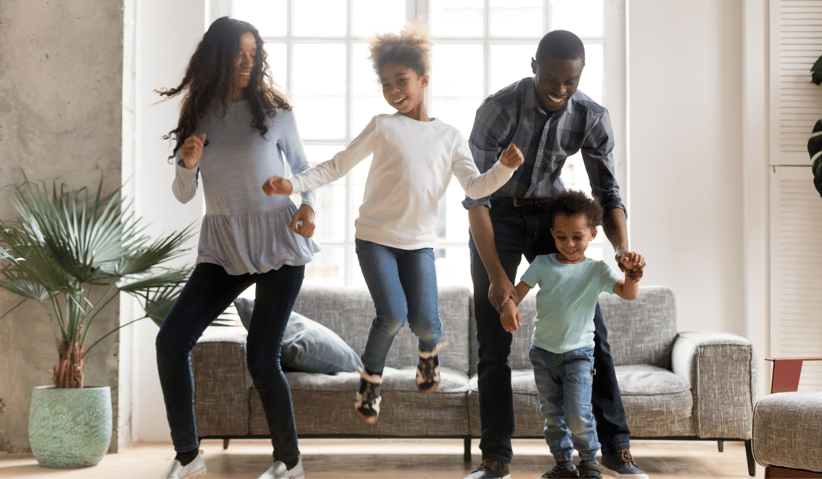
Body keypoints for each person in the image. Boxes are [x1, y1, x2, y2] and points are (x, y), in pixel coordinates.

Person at [262, 24, 523, 425]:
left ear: (424, 80)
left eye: (401, 81)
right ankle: (370, 382)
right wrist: (293, 184)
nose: (394, 90)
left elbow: (475, 186)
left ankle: (429, 352)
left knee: (423, 322)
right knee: (392, 314)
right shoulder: (382, 126)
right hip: (374, 239)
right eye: (386, 83)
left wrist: (503, 169)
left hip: (418, 243)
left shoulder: (449, 136)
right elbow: (338, 164)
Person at [464, 30, 648, 479]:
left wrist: (622, 249)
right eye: (551, 78)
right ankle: (496, 458)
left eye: (570, 82)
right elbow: (475, 199)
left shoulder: (590, 115)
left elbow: (607, 192)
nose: (559, 90)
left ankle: (616, 448)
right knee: (494, 338)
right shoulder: (498, 109)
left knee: (592, 333)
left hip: (550, 218)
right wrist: (497, 276)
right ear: (533, 66)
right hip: (498, 218)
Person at [154, 17, 317, 479]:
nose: (248, 63)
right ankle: (188, 456)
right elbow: (185, 193)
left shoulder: (274, 110)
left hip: (279, 241)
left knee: (262, 357)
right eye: (238, 55)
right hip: (224, 246)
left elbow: (304, 169)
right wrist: (188, 164)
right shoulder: (198, 112)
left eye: (253, 55)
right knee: (171, 341)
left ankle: (289, 461)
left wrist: (310, 209)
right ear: (218, 56)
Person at [499, 190, 642, 479]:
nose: (569, 244)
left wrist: (632, 275)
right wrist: (508, 307)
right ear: (552, 233)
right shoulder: (542, 264)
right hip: (542, 354)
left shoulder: (597, 270)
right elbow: (517, 293)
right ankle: (563, 465)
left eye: (577, 237)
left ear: (592, 233)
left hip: (578, 356)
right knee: (553, 417)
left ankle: (589, 462)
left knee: (578, 415)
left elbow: (628, 294)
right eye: (561, 237)